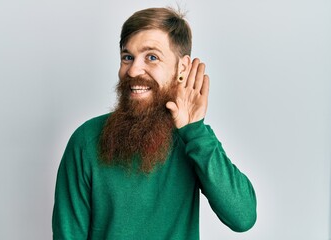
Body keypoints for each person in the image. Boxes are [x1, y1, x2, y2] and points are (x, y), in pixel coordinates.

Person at [52, 7, 257, 240]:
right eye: (127, 57)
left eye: (152, 57)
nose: (133, 70)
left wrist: (195, 131)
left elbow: (243, 217)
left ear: (182, 68)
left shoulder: (193, 140)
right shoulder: (86, 140)